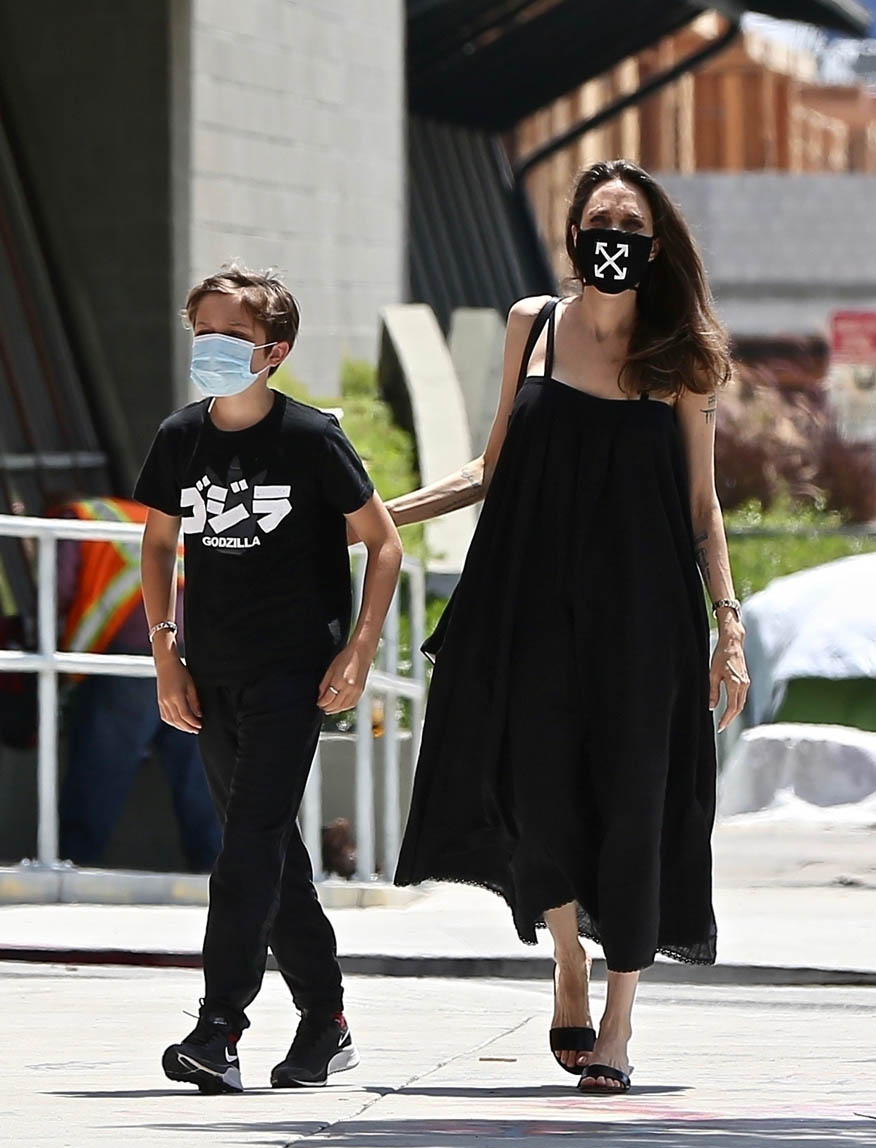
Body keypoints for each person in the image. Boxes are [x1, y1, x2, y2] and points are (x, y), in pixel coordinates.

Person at [389, 161, 750, 1093]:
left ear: (655, 245)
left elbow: (702, 507)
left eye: (630, 225)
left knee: (635, 805)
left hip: (646, 620)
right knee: (540, 793)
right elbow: (491, 466)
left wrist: (728, 627)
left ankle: (619, 1024)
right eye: (599, 222)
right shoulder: (532, 326)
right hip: (534, 607)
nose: (612, 238)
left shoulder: (685, 355)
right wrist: (380, 516)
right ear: (574, 234)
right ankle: (567, 960)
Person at [135, 263, 402, 1093]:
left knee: (248, 842)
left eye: (231, 335)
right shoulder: (180, 436)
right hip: (211, 674)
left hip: (295, 675)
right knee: (271, 848)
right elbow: (157, 544)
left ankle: (220, 1025)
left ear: (273, 351)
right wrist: (166, 654)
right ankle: (326, 1019)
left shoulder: (311, 438)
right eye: (201, 332)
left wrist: (358, 650)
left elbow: (383, 543)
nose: (211, 347)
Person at [54, 496, 220, 871]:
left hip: (131, 661)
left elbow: (57, 589)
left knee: (100, 771)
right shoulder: (175, 521)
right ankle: (217, 871)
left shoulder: (76, 517)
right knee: (202, 777)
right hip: (197, 659)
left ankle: (73, 867)